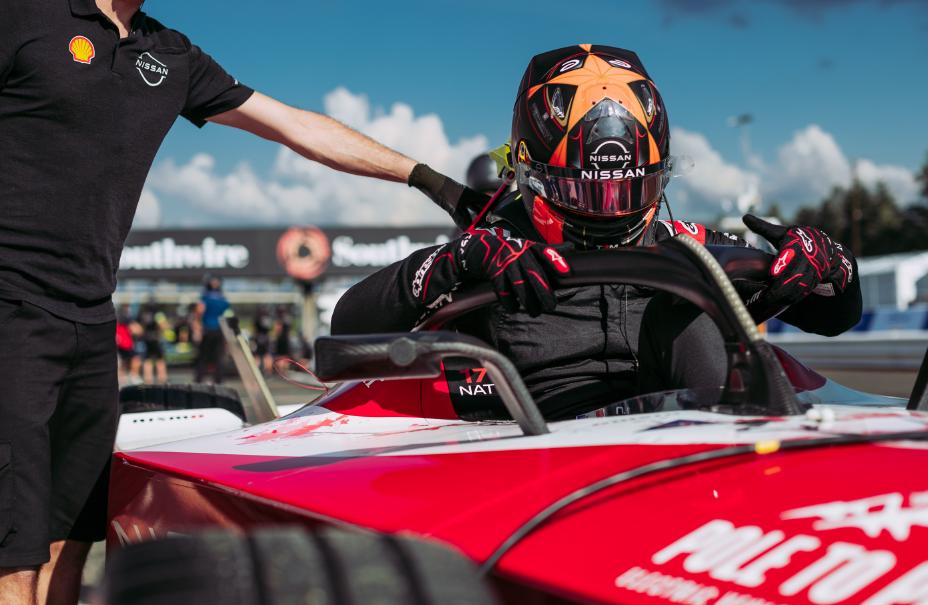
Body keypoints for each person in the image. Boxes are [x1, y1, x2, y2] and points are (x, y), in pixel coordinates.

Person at [0, 0, 487, 605]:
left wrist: (434, 183)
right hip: (9, 311)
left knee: (69, 539)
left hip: (93, 319)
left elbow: (297, 127)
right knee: (13, 556)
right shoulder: (24, 14)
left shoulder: (171, 55)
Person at [332, 44, 861, 420]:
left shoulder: (689, 246)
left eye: (626, 190)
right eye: (587, 192)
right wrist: (455, 262)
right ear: (527, 171)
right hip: (536, 465)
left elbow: (835, 316)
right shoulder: (490, 254)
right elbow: (346, 327)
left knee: (690, 311)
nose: (610, 211)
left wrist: (829, 263)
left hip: (704, 463)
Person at [194, 277, 231, 384]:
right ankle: (218, 380)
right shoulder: (222, 299)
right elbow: (228, 314)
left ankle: (200, 379)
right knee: (218, 356)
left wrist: (197, 329)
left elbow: (199, 312)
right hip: (218, 331)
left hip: (208, 330)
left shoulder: (205, 297)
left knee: (203, 356)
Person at [138, 300, 168, 385]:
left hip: (146, 339)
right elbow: (163, 325)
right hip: (155, 339)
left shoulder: (144, 314)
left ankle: (148, 381)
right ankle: (162, 380)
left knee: (147, 360)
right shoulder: (158, 314)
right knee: (160, 360)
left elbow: (140, 328)